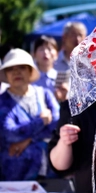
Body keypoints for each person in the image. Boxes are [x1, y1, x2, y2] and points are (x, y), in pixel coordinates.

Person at [0, 48, 60, 181]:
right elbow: (10, 133)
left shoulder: (44, 94)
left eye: (22, 67)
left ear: (30, 71)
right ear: (6, 74)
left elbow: (57, 123)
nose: (16, 72)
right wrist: (41, 121)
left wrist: (28, 140)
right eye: (11, 68)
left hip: (49, 171)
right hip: (15, 175)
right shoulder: (2, 102)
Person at [54, 22, 87, 102]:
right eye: (74, 35)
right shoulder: (53, 61)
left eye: (80, 35)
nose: (77, 39)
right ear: (64, 37)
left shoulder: (89, 63)